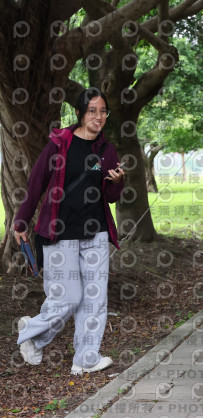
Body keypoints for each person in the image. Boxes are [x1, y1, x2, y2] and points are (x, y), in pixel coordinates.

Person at [13, 88, 125, 375]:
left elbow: (111, 196)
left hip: (96, 232)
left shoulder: (106, 150)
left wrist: (117, 182)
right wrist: (21, 221)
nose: (99, 117)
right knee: (67, 297)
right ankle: (32, 332)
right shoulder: (59, 143)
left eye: (103, 111)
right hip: (59, 231)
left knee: (95, 299)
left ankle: (86, 358)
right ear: (79, 113)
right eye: (92, 111)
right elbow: (36, 182)